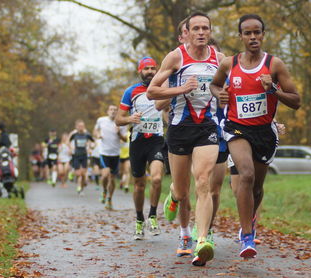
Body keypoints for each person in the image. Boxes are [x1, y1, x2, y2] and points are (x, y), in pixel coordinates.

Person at [210, 14, 300, 258]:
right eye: (247, 33)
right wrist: (220, 94)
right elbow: (215, 84)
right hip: (237, 127)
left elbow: (296, 101)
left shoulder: (275, 65)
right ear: (240, 36)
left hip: (264, 131)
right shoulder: (229, 64)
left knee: (257, 188)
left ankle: (248, 220)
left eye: (257, 32)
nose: (253, 37)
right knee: (246, 174)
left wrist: (273, 89)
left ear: (263, 35)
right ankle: (247, 237)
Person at [147, 12, 225, 266]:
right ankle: (173, 194)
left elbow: (232, 87)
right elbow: (152, 92)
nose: (201, 32)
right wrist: (181, 88)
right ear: (188, 32)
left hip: (207, 128)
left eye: (205, 28)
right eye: (196, 28)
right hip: (180, 128)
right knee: (182, 191)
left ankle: (201, 240)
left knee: (203, 182)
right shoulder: (176, 56)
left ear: (210, 32)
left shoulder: (220, 59)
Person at [116, 57, 165, 240]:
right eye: (147, 69)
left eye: (153, 68)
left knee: (157, 178)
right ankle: (139, 219)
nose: (150, 71)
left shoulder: (161, 89)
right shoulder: (131, 91)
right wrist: (130, 119)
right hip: (137, 141)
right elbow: (118, 119)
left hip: (156, 140)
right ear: (140, 71)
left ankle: (152, 214)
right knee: (139, 184)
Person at [94, 105, 127, 209]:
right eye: (111, 110)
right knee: (105, 175)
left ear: (117, 112)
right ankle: (104, 190)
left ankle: (109, 199)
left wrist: (119, 134)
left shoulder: (121, 123)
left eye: (115, 110)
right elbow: (95, 130)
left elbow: (125, 139)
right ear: (108, 111)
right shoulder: (101, 120)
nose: (113, 111)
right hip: (104, 153)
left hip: (116, 154)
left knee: (112, 178)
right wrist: (97, 135)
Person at [69, 120, 95, 195]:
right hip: (76, 155)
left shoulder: (87, 135)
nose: (81, 128)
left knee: (83, 174)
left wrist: (91, 148)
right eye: (79, 126)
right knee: (79, 174)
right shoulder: (74, 135)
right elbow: (68, 142)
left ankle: (81, 188)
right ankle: (77, 184)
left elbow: (93, 142)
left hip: (84, 155)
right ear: (76, 127)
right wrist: (71, 148)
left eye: (82, 126)